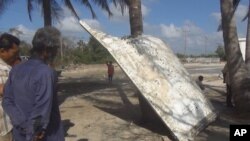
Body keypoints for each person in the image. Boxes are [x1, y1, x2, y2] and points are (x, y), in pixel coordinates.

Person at [2, 27, 65, 141]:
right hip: (44, 136)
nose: (56, 52)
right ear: (47, 49)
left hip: (20, 134)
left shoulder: (15, 70)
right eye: (56, 48)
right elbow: (41, 107)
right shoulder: (46, 72)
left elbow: (7, 101)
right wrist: (34, 130)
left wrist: (22, 124)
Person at [0, 33, 20, 141]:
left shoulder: (10, 66)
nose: (17, 55)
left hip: (13, 123)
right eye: (15, 53)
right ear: (3, 51)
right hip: (3, 127)